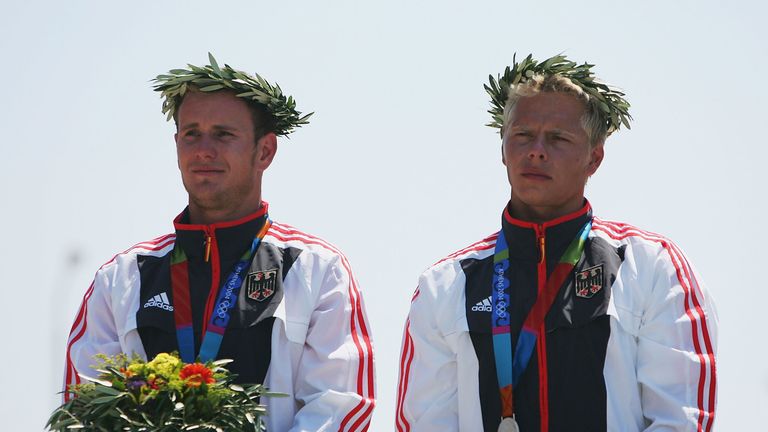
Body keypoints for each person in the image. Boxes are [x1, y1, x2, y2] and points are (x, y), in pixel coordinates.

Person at [395, 54, 717, 432]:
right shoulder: (445, 284)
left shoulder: (651, 265)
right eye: (522, 135)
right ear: (502, 149)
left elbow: (681, 420)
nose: (536, 150)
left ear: (594, 158)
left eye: (558, 138)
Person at [63, 54, 375, 432]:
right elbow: (84, 409)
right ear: (177, 144)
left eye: (223, 134)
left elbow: (339, 409)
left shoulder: (317, 269)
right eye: (191, 133)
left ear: (265, 151)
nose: (203, 150)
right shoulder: (121, 278)